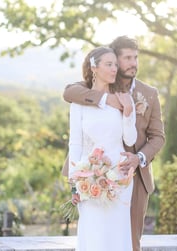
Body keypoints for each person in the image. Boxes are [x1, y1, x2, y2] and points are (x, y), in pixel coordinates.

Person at [62, 36, 165, 251]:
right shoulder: (101, 85)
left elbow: (158, 137)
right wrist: (105, 100)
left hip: (134, 176)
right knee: (95, 234)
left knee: (129, 238)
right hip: (91, 172)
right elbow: (69, 92)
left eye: (135, 58)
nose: (133, 63)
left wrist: (139, 158)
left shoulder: (149, 94)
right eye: (126, 58)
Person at [68, 46, 137, 251]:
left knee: (117, 235)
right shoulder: (79, 103)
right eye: (109, 64)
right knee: (93, 233)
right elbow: (75, 143)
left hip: (120, 176)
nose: (114, 69)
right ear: (94, 68)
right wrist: (74, 183)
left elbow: (130, 139)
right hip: (88, 177)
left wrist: (128, 112)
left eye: (116, 64)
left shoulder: (124, 98)